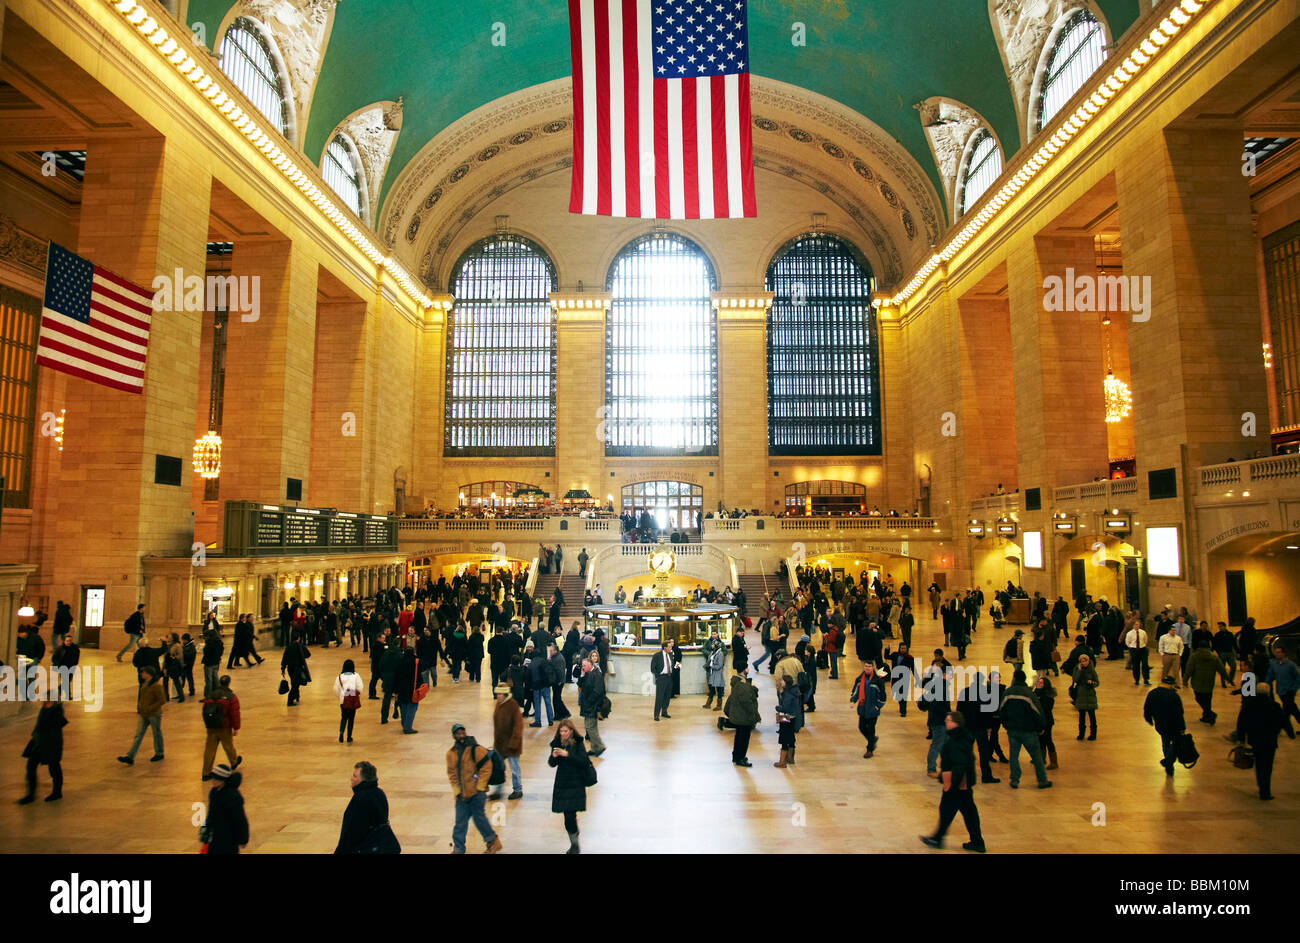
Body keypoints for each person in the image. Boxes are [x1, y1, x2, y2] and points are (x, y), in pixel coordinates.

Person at [919, 712, 985, 853]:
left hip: (957, 783)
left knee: (949, 811)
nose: (946, 721)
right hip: (962, 783)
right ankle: (976, 841)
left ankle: (938, 838)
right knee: (968, 813)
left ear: (956, 723)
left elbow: (959, 765)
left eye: (948, 720)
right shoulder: (959, 737)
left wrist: (946, 778)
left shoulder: (957, 741)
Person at [446, 723, 502, 854]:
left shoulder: (475, 749)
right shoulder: (451, 754)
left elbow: (486, 767)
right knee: (460, 823)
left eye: (462, 732)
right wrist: (457, 791)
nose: (460, 735)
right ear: (454, 735)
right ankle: (458, 849)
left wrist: (481, 786)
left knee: (479, 819)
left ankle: (492, 841)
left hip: (477, 793)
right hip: (462, 795)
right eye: (458, 733)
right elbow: (452, 774)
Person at [998, 670, 1053, 789]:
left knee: (1013, 756)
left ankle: (1014, 780)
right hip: (1028, 730)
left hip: (1012, 730)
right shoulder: (1029, 694)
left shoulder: (1008, 692)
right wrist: (1041, 726)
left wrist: (1006, 724)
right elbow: (1037, 712)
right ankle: (1042, 780)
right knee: (1036, 756)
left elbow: (1001, 710)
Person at [335, 761, 400, 853]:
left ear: (363, 780)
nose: (351, 779)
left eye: (355, 776)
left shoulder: (360, 798)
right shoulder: (379, 793)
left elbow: (353, 830)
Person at [548, 718, 592, 854]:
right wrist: (554, 756)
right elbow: (551, 763)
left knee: (569, 815)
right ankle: (574, 836)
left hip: (576, 783)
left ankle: (574, 846)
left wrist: (568, 755)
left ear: (571, 731)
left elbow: (583, 761)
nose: (563, 734)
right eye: (561, 731)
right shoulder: (557, 743)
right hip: (562, 783)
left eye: (565, 731)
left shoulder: (578, 743)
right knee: (567, 817)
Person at [1238, 682, 1283, 800]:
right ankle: (1265, 790)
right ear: (1268, 692)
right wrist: (1290, 733)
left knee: (1259, 764)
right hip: (1270, 741)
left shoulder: (1249, 705)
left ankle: (1260, 784)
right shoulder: (1275, 706)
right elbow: (1283, 721)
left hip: (1255, 740)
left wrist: (1241, 738)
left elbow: (1241, 722)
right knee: (1267, 765)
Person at [19, 700, 66, 804]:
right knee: (31, 766)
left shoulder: (57, 711)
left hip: (51, 744)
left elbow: (54, 726)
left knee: (54, 767)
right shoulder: (44, 708)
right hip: (39, 744)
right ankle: (31, 794)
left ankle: (57, 792)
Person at [117, 665, 165, 765]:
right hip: (144, 714)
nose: (141, 674)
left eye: (143, 672)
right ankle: (130, 756)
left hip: (153, 714)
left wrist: (150, 708)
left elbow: (162, 700)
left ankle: (159, 753)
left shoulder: (156, 686)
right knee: (138, 735)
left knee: (156, 733)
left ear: (148, 674)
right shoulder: (145, 684)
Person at [200, 675, 242, 780]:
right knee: (228, 746)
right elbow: (234, 713)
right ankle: (234, 762)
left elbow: (205, 710)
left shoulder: (211, 695)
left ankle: (206, 773)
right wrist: (236, 727)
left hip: (211, 727)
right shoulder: (231, 697)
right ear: (229, 683)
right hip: (224, 727)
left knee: (209, 749)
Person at [1143, 674, 1185, 776]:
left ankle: (1169, 764)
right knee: (1175, 744)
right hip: (1174, 725)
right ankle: (1169, 761)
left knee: (1165, 743)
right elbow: (1179, 713)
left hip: (1161, 724)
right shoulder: (1174, 696)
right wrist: (1182, 727)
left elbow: (1147, 709)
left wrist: (1149, 720)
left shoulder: (1152, 693)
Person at [202, 764, 249, 854]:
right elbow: (211, 813)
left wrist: (243, 839)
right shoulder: (214, 792)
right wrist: (206, 828)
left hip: (228, 838)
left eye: (216, 779)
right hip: (215, 836)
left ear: (223, 780)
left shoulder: (233, 796)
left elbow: (240, 819)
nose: (213, 781)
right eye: (213, 778)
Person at [491, 684, 524, 800]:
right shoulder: (498, 705)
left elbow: (518, 726)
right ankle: (497, 791)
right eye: (497, 694)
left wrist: (514, 743)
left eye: (500, 694)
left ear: (505, 694)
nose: (498, 696)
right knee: (498, 768)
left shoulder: (513, 705)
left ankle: (518, 790)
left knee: (514, 768)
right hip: (500, 744)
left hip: (511, 745)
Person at [1185, 641, 1230, 725]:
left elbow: (1189, 669)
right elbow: (1221, 669)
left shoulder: (1194, 656)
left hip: (1197, 681)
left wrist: (1185, 679)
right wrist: (1228, 678)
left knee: (1198, 698)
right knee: (1208, 700)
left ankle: (1210, 714)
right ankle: (1206, 716)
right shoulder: (1214, 657)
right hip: (1209, 681)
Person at [722, 669, 759, 767]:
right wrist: (753, 714)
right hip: (744, 717)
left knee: (738, 736)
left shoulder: (736, 684)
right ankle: (741, 758)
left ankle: (736, 756)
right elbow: (747, 702)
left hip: (738, 716)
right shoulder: (744, 686)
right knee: (744, 738)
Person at [922, 659, 951, 778]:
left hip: (939, 720)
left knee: (945, 744)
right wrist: (948, 714)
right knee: (937, 745)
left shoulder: (940, 685)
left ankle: (946, 767)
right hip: (939, 721)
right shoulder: (940, 687)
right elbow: (937, 706)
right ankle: (931, 768)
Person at [1264, 644, 1300, 739]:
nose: (1277, 654)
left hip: (1289, 691)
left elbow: (1298, 678)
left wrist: (1294, 689)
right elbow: (1270, 676)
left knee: (1286, 711)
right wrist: (1266, 686)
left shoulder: (1291, 665)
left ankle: (1278, 729)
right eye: (1276, 652)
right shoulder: (1274, 664)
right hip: (1280, 691)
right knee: (1292, 710)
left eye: (1279, 652)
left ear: (1284, 653)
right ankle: (1283, 729)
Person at [851, 663, 886, 758]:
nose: (867, 668)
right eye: (866, 666)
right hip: (863, 708)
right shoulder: (859, 679)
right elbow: (855, 691)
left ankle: (869, 750)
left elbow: (883, 696)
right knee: (861, 727)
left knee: (871, 729)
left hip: (872, 710)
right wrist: (853, 701)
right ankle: (872, 740)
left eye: (869, 666)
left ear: (873, 668)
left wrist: (878, 706)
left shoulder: (878, 681)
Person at [578, 652, 607, 756]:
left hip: (593, 706)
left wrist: (589, 701)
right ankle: (595, 748)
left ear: (590, 665)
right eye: (582, 665)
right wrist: (581, 675)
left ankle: (599, 746)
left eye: (584, 665)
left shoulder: (596, 675)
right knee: (591, 727)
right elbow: (580, 685)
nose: (583, 667)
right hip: (588, 706)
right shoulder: (587, 674)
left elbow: (598, 691)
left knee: (590, 727)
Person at [773, 674, 803, 767]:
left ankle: (782, 761)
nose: (781, 682)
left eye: (782, 680)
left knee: (784, 738)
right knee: (791, 737)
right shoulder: (794, 691)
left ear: (785, 683)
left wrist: (778, 708)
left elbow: (785, 707)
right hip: (793, 717)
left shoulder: (787, 694)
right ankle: (790, 758)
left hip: (786, 718)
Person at [334, 659, 363, 743]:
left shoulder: (339, 677)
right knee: (351, 719)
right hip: (353, 700)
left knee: (343, 717)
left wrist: (340, 696)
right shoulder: (356, 676)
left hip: (343, 700)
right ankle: (349, 736)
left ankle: (341, 733)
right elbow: (360, 687)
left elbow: (336, 689)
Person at [1071, 653, 1100, 740]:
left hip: (1090, 695)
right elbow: (1075, 680)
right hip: (1081, 695)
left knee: (1092, 716)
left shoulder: (1092, 670)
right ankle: (1081, 734)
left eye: (1085, 661)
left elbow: (1097, 682)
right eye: (1082, 661)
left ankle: (1093, 734)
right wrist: (1079, 671)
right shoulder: (1077, 668)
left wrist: (1092, 683)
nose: (1084, 663)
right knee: (1081, 717)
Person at [279, 630, 311, 706]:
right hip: (298, 668)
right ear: (298, 638)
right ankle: (290, 701)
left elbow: (284, 659)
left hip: (290, 668)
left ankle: (296, 696)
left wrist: (283, 668)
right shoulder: (299, 646)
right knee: (295, 684)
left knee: (294, 682)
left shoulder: (288, 647)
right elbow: (308, 654)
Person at [1034, 674, 1059, 770]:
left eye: (1041, 683)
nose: (1039, 684)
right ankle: (1041, 759)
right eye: (1039, 682)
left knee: (1048, 740)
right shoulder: (1036, 693)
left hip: (1047, 721)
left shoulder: (1048, 696)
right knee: (1041, 741)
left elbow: (1045, 709)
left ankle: (1054, 762)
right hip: (1039, 721)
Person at [395, 646, 420, 734]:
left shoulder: (399, 661)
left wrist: (395, 689)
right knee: (412, 706)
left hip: (401, 688)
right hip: (412, 688)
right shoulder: (416, 661)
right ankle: (408, 727)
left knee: (403, 706)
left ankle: (404, 724)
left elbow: (396, 675)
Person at [651, 639, 674, 721]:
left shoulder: (670, 655)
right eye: (669, 646)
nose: (671, 647)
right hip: (661, 678)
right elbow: (653, 668)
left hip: (669, 677)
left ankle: (664, 712)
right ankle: (656, 715)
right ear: (664, 647)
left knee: (667, 697)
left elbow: (672, 665)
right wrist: (658, 676)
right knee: (659, 697)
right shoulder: (657, 655)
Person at [704, 632, 726, 709]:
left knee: (719, 690)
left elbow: (720, 665)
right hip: (711, 673)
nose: (712, 646)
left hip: (717, 674)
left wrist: (711, 666)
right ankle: (708, 704)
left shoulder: (720, 654)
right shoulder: (712, 652)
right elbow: (709, 659)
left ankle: (719, 705)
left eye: (713, 644)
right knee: (711, 689)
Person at [1126, 619, 1150, 685]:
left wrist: (1143, 646)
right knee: (1136, 665)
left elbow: (1145, 640)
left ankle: (1146, 679)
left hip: (1142, 649)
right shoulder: (1130, 633)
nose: (1137, 626)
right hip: (1134, 650)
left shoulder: (1143, 632)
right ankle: (1136, 679)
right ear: (1133, 625)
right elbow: (1127, 642)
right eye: (1136, 624)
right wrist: (1132, 647)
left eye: (1138, 624)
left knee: (1145, 664)